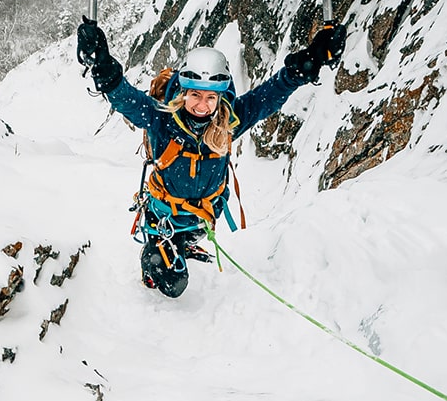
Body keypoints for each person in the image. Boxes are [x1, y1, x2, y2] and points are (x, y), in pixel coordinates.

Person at [76, 17, 347, 297]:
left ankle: (184, 242)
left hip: (201, 219)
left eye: (210, 98)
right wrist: (104, 69)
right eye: (195, 95)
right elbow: (127, 98)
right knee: (174, 284)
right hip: (164, 219)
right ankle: (158, 252)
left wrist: (304, 66)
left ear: (220, 98)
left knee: (186, 241)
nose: (202, 106)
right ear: (183, 93)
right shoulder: (161, 120)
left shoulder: (228, 122)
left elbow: (268, 96)